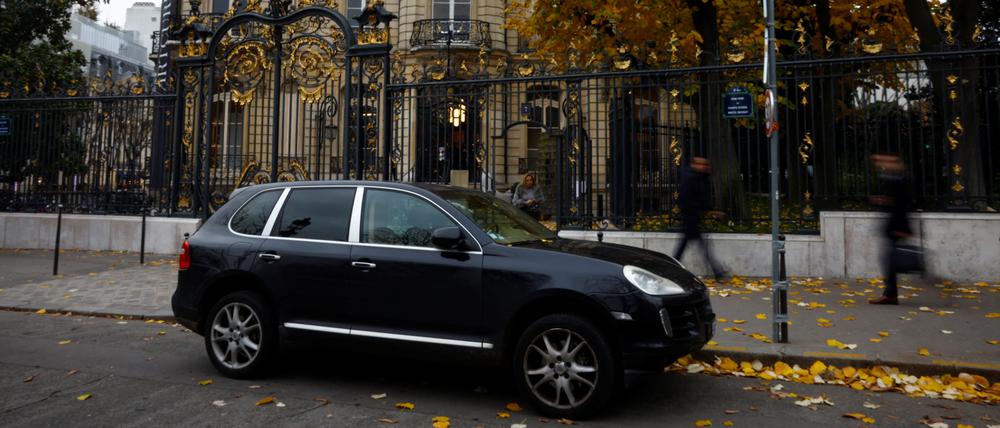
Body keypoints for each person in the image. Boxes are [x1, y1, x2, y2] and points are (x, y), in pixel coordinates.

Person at [869, 153, 912, 305]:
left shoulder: (899, 180)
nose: (881, 164)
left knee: (889, 261)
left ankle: (891, 294)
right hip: (895, 226)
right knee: (889, 260)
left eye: (885, 161)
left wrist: (903, 228)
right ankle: (890, 293)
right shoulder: (896, 179)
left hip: (897, 226)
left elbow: (901, 205)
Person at [673, 157, 724, 279]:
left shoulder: (699, 177)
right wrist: (709, 211)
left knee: (684, 246)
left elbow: (701, 198)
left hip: (692, 216)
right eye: (702, 164)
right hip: (690, 216)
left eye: (706, 164)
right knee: (700, 246)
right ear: (694, 165)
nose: (705, 167)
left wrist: (709, 210)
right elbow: (687, 199)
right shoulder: (692, 178)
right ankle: (717, 272)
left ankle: (673, 266)